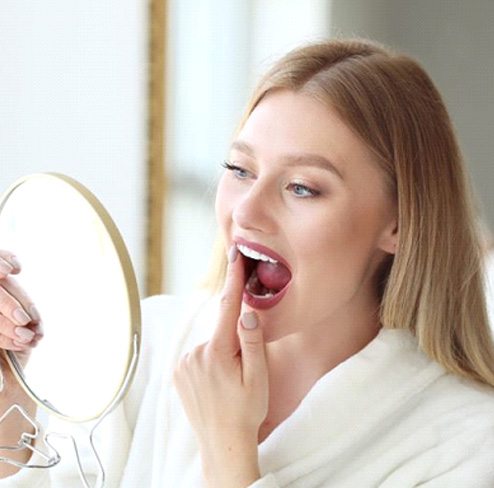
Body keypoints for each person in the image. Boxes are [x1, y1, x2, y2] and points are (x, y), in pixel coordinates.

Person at [1, 38, 494, 487]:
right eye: (240, 170)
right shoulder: (146, 344)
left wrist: (228, 450)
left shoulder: (468, 446)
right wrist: (10, 402)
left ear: (400, 223)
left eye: (303, 187)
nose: (246, 211)